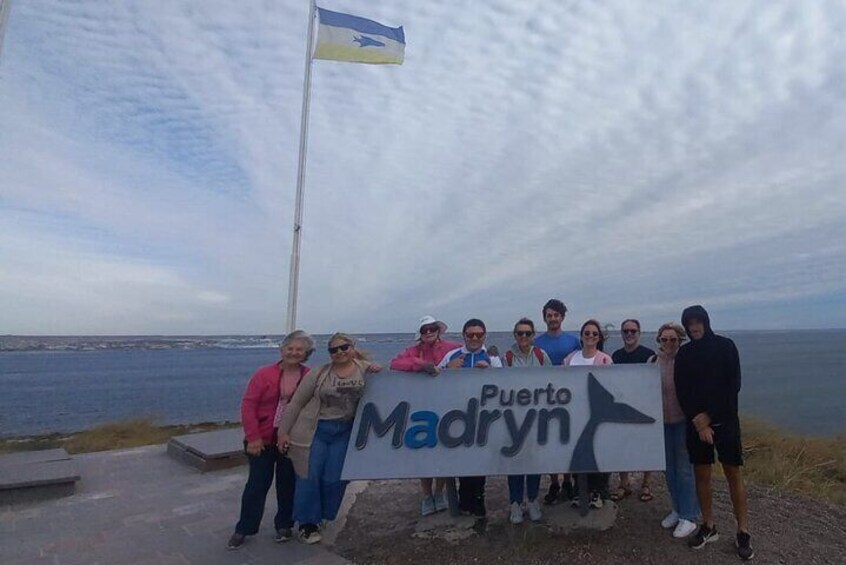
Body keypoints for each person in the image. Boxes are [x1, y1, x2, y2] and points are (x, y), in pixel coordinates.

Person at [277, 333, 382, 544]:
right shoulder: (319, 373)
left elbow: (388, 388)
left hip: (344, 431)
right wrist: (283, 432)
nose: (340, 352)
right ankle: (307, 524)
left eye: (344, 347)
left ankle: (323, 515)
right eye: (334, 350)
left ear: (352, 347)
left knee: (335, 478)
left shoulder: (366, 369)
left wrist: (379, 369)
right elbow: (296, 403)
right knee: (309, 476)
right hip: (315, 430)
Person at [674, 305, 753, 560]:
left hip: (725, 422)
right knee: (702, 475)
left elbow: (734, 385)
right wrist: (699, 422)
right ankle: (708, 525)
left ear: (706, 322)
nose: (694, 327)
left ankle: (743, 531)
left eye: (698, 322)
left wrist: (708, 418)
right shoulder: (684, 353)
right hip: (696, 424)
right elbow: (682, 390)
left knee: (733, 474)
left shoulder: (725, 346)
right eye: (690, 323)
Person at [227, 331, 314, 550]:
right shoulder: (263, 374)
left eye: (299, 349)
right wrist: (253, 437)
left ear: (306, 354)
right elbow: (248, 405)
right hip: (262, 439)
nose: (294, 352)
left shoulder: (310, 375)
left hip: (291, 439)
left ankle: (284, 524)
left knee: (288, 484)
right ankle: (244, 528)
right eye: (290, 348)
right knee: (257, 484)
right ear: (282, 350)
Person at [390, 315, 461, 516]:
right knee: (423, 451)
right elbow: (395, 363)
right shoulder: (413, 351)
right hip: (422, 407)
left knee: (444, 450)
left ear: (438, 330)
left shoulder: (451, 347)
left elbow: (468, 356)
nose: (429, 332)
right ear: (420, 334)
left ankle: (440, 492)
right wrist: (421, 365)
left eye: (432, 328)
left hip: (448, 405)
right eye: (424, 330)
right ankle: (426, 495)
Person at [438, 319, 500, 517]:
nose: (474, 338)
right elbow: (434, 380)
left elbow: (504, 384)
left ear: (485, 336)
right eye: (470, 334)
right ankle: (463, 499)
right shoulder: (451, 355)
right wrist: (449, 369)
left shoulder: (492, 358)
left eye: (479, 335)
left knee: (479, 459)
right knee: (461, 458)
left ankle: (478, 499)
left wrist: (489, 373)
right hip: (456, 414)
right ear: (464, 335)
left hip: (483, 416)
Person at [649, 322, 700, 538]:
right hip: (661, 423)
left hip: (683, 421)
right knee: (668, 469)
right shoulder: (652, 362)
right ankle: (677, 509)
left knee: (685, 470)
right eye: (664, 339)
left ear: (680, 340)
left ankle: (689, 516)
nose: (668, 343)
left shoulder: (686, 361)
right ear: (659, 340)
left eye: (673, 339)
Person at [533, 299, 581, 504]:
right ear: (544, 317)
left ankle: (568, 481)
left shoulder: (573, 341)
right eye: (549, 315)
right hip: (545, 398)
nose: (553, 318)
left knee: (567, 440)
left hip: (568, 398)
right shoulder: (537, 342)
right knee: (550, 441)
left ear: (562, 317)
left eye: (556, 315)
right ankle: (554, 482)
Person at [502, 318, 549, 524]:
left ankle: (532, 500)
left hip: (537, 416)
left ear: (533, 335)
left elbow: (551, 382)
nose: (524, 337)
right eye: (520, 333)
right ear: (515, 335)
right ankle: (514, 502)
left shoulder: (541, 355)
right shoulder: (507, 357)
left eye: (528, 333)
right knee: (514, 461)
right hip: (512, 417)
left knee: (534, 460)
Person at [563, 319, 613, 510]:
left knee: (599, 453)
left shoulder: (605, 360)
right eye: (587, 333)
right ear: (581, 336)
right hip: (575, 413)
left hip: (598, 414)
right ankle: (579, 491)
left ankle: (597, 492)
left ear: (598, 337)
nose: (590, 336)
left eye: (594, 334)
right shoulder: (570, 359)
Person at [610, 319, 657, 503]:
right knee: (622, 446)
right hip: (622, 408)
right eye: (626, 331)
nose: (629, 334)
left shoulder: (649, 355)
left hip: (645, 407)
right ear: (622, 333)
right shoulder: (616, 356)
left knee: (646, 447)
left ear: (639, 333)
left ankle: (646, 483)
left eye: (633, 331)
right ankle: (624, 483)